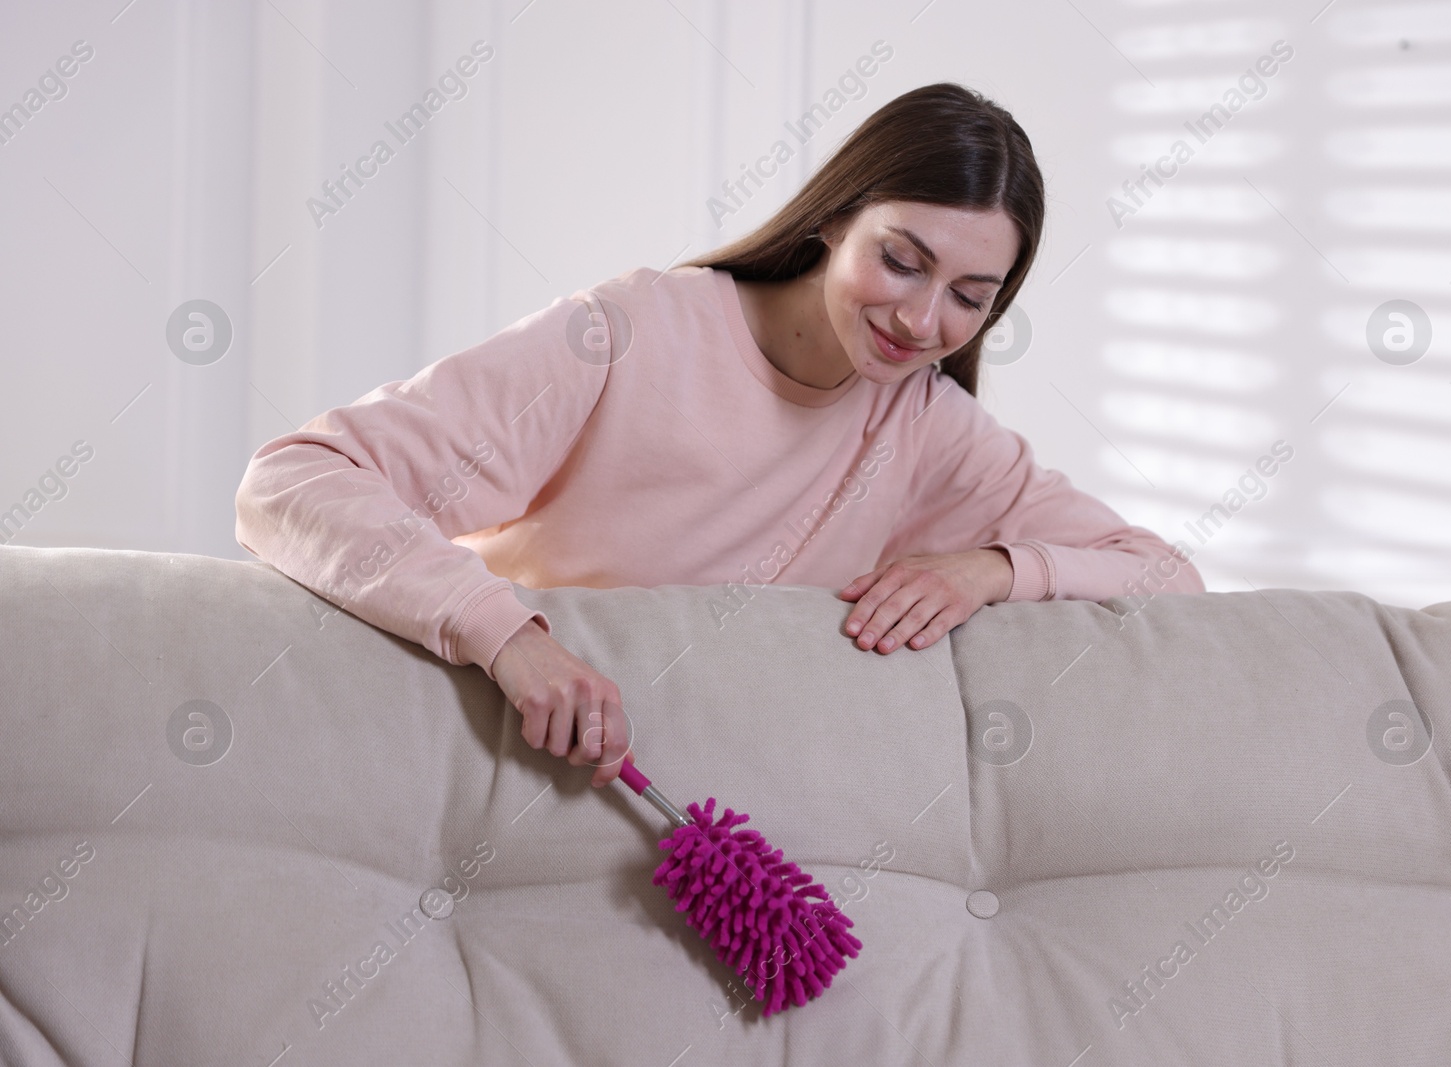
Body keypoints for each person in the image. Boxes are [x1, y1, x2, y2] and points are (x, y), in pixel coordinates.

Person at [234, 82, 1203, 792]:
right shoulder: (628, 332)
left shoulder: (929, 429)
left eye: (968, 297)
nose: (921, 321)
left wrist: (989, 568)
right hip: (500, 753)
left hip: (697, 808)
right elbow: (292, 481)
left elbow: (1164, 576)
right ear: (834, 220)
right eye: (902, 262)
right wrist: (512, 640)